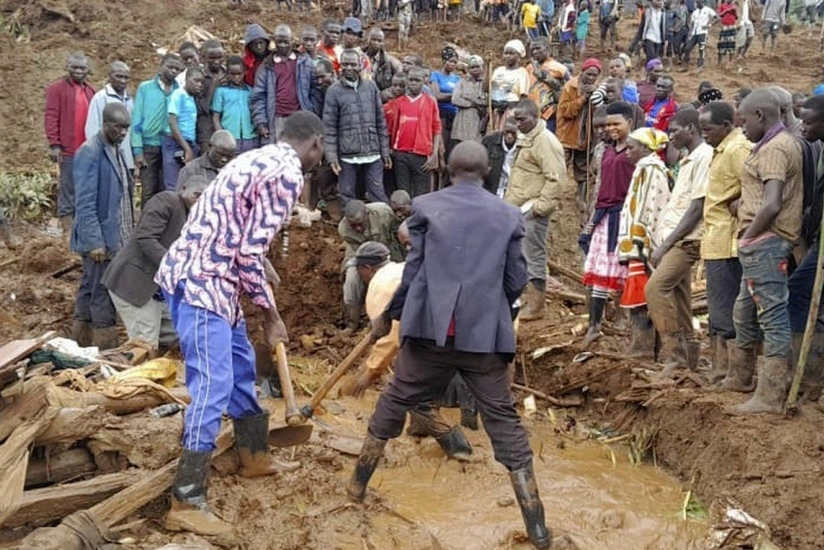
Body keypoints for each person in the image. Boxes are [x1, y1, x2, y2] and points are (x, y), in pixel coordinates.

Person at [347, 141, 552, 550]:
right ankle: (538, 530)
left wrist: (390, 315)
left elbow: (415, 273)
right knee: (504, 422)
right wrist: (491, 309)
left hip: (429, 333)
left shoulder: (425, 207)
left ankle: (356, 487)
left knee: (395, 399)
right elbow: (517, 278)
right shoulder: (509, 215)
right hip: (483, 338)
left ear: (447, 168)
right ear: (488, 169)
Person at [155, 111, 325, 536]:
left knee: (240, 367)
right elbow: (246, 253)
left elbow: (234, 227)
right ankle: (187, 497)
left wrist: (261, 262)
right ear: (315, 144)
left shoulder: (256, 158)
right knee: (212, 385)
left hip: (214, 277)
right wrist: (271, 316)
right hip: (202, 282)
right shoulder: (288, 175)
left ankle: (254, 453)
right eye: (322, 153)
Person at [343, 240, 477, 461]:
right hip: (464, 330)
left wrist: (369, 372)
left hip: (438, 337)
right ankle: (421, 430)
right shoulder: (400, 269)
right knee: (432, 382)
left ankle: (459, 448)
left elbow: (393, 336)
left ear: (365, 269)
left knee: (411, 395)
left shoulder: (380, 286)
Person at [727, 89, 803, 416]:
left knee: (771, 316)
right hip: (762, 242)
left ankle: (770, 396)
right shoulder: (774, 144)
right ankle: (741, 377)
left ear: (760, 116)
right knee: (744, 311)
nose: (741, 128)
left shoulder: (774, 149)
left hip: (766, 243)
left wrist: (749, 237)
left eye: (744, 120)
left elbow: (771, 204)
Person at [103, 176, 209, 354]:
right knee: (145, 345)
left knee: (181, 331)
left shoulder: (197, 218)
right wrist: (174, 266)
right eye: (196, 195)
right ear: (183, 189)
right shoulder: (166, 201)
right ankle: (129, 378)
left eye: (205, 197)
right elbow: (145, 238)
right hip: (135, 286)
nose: (200, 200)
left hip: (158, 292)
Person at [646, 109, 713, 375]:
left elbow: (697, 207)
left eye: (675, 130)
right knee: (680, 297)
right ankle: (689, 358)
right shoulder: (689, 158)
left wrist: (665, 245)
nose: (669, 135)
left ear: (692, 129)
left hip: (687, 240)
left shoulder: (704, 157)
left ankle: (675, 357)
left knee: (655, 289)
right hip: (677, 237)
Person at [70, 103, 134, 351]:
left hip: (114, 233)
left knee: (90, 285)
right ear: (105, 124)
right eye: (119, 127)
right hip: (100, 238)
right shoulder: (90, 151)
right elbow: (84, 202)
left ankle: (81, 340)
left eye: (126, 128)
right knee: (103, 290)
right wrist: (95, 241)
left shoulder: (114, 148)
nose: (124, 132)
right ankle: (106, 344)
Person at [697, 101, 751, 386]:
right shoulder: (721, 150)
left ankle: (732, 373)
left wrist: (739, 208)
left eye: (707, 129)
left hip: (729, 242)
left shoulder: (736, 149)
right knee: (719, 309)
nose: (703, 134)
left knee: (726, 309)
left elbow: (755, 187)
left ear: (727, 126)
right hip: (716, 239)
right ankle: (721, 370)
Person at [580, 102, 636, 345]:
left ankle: (627, 320)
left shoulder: (635, 152)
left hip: (624, 217)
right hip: (603, 215)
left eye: (616, 124)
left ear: (630, 124)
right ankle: (595, 324)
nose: (611, 128)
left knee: (625, 270)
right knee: (600, 272)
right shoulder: (607, 150)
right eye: (608, 124)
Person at [505, 99, 566, 321]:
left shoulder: (545, 141)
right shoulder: (528, 137)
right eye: (516, 119)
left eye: (522, 119)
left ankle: (536, 304)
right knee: (520, 255)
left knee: (534, 256)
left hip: (533, 208)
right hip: (519, 208)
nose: (518, 123)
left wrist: (539, 208)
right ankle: (525, 299)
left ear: (536, 116)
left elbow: (556, 179)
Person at [617, 127, 671, 359]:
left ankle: (643, 348)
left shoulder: (650, 171)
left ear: (646, 148)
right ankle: (647, 346)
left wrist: (638, 243)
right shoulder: (647, 168)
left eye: (631, 148)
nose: (627, 152)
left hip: (642, 245)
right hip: (640, 243)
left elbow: (646, 211)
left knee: (640, 296)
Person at [787, 95, 824, 401]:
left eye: (809, 121)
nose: (803, 126)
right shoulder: (819, 147)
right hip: (818, 239)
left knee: (799, 291)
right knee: (804, 294)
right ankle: (808, 379)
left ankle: (809, 380)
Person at [323, 49, 392, 205]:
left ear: (360, 65)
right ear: (340, 67)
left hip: (372, 152)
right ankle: (351, 226)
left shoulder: (371, 87)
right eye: (345, 64)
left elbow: (380, 121)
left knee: (378, 193)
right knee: (347, 195)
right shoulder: (333, 91)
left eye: (353, 64)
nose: (349, 68)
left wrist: (385, 151)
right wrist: (332, 157)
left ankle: (383, 226)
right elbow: (329, 128)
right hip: (347, 154)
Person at [44, 52, 96, 235]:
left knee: (85, 190)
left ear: (88, 70)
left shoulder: (90, 91)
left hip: (87, 151)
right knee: (67, 190)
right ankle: (66, 233)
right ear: (68, 67)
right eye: (74, 67)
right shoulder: (56, 89)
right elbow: (51, 116)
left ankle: (80, 230)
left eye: (82, 68)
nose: (78, 71)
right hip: (67, 150)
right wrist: (54, 144)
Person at [338, 200, 405, 333]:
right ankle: (352, 322)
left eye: (360, 223)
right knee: (351, 278)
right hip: (362, 255)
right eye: (353, 225)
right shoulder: (344, 228)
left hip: (389, 252)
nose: (357, 228)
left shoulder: (383, 213)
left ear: (366, 214)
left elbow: (400, 234)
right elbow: (361, 256)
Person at [251, 25, 321, 145]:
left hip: (299, 117)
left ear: (292, 41)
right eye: (279, 42)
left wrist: (311, 111)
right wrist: (261, 121)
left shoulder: (304, 62)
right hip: (276, 118)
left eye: (286, 41)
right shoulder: (267, 65)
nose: (282, 45)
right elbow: (259, 96)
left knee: (300, 154)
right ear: (274, 41)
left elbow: (315, 89)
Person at [132, 54, 183, 205]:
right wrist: (138, 150)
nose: (174, 71)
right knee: (148, 191)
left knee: (166, 189)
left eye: (177, 69)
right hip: (149, 146)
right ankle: (146, 227)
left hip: (170, 146)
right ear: (161, 66)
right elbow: (136, 120)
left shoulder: (179, 91)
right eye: (170, 67)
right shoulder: (145, 88)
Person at [386, 68, 442, 198]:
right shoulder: (399, 102)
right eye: (411, 80)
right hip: (401, 153)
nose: (413, 83)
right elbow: (391, 128)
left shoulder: (430, 102)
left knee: (422, 193)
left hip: (421, 154)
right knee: (403, 191)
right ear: (406, 81)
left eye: (417, 80)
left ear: (424, 82)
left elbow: (437, 128)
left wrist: (434, 154)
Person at [556, 58, 602, 213]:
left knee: (583, 170)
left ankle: (580, 198)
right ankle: (556, 199)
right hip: (567, 135)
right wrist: (583, 98)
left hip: (585, 137)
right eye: (588, 74)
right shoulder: (570, 87)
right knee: (561, 167)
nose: (591, 78)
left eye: (594, 75)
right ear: (582, 72)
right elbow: (565, 112)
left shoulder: (597, 90)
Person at [85, 61, 134, 174]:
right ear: (109, 76)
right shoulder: (100, 98)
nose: (123, 80)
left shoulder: (130, 100)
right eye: (119, 76)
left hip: (126, 156)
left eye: (126, 77)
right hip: (106, 156)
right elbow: (92, 129)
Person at [163, 68, 204, 191]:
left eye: (202, 82)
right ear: (186, 79)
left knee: (186, 184)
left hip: (188, 143)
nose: (199, 85)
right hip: (176, 143)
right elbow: (172, 121)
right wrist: (187, 149)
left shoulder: (191, 97)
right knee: (173, 185)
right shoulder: (178, 94)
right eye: (196, 81)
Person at [212, 56, 258, 154]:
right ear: (227, 73)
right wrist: (221, 135)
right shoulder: (221, 91)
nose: (236, 77)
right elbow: (216, 117)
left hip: (250, 137)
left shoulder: (250, 91)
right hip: (229, 137)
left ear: (245, 72)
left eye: (239, 74)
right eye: (232, 74)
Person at [526, 38, 570, 133]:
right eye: (532, 50)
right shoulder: (529, 68)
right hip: (530, 113)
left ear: (547, 49)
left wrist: (546, 78)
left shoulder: (560, 68)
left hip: (549, 114)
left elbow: (568, 90)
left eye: (538, 48)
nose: (534, 52)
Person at [490, 40, 530, 131]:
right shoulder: (498, 70)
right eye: (506, 53)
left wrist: (516, 113)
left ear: (518, 56)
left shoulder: (522, 72)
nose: (508, 56)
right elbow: (486, 89)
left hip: (510, 111)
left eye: (511, 53)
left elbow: (523, 97)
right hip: (495, 111)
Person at [195, 40, 226, 154]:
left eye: (220, 57)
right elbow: (203, 108)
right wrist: (214, 85)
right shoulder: (198, 77)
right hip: (206, 130)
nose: (217, 61)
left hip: (227, 126)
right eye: (212, 58)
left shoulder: (228, 73)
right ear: (203, 58)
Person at [430, 46, 462, 153]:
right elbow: (436, 95)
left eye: (455, 62)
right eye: (450, 61)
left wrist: (450, 96)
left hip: (455, 113)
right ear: (444, 61)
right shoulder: (435, 75)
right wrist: (454, 95)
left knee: (452, 144)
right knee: (441, 141)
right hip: (441, 113)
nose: (453, 64)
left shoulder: (457, 78)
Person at [451, 55, 487, 143]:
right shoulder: (462, 83)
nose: (475, 69)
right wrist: (473, 104)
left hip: (478, 122)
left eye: (477, 66)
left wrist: (468, 98)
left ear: (482, 67)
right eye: (472, 67)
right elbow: (455, 99)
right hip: (462, 122)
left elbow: (486, 101)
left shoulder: (485, 84)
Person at [482, 117, 519, 197]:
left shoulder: (523, 146)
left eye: (513, 133)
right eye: (507, 132)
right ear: (503, 129)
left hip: (512, 192)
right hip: (491, 189)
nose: (509, 136)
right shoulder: (490, 141)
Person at [366, 28, 402, 98]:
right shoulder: (360, 56)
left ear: (383, 43)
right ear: (368, 40)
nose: (376, 43)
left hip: (380, 99)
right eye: (373, 39)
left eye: (379, 41)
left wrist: (385, 94)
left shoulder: (388, 60)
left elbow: (401, 75)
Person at [683, 0, 718, 71]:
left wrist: (709, 25)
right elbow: (691, 23)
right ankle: (685, 65)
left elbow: (717, 18)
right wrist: (690, 31)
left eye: (698, 2)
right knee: (687, 48)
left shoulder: (708, 10)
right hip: (694, 33)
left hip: (703, 32)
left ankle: (700, 66)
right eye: (696, 2)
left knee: (701, 49)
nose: (697, 4)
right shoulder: (695, 12)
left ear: (702, 2)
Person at [716, 0, 737, 69]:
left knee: (731, 46)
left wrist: (734, 11)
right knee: (721, 45)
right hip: (724, 26)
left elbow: (736, 17)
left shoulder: (733, 6)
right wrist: (727, 11)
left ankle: (730, 63)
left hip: (732, 26)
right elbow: (719, 15)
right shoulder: (722, 5)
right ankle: (719, 63)